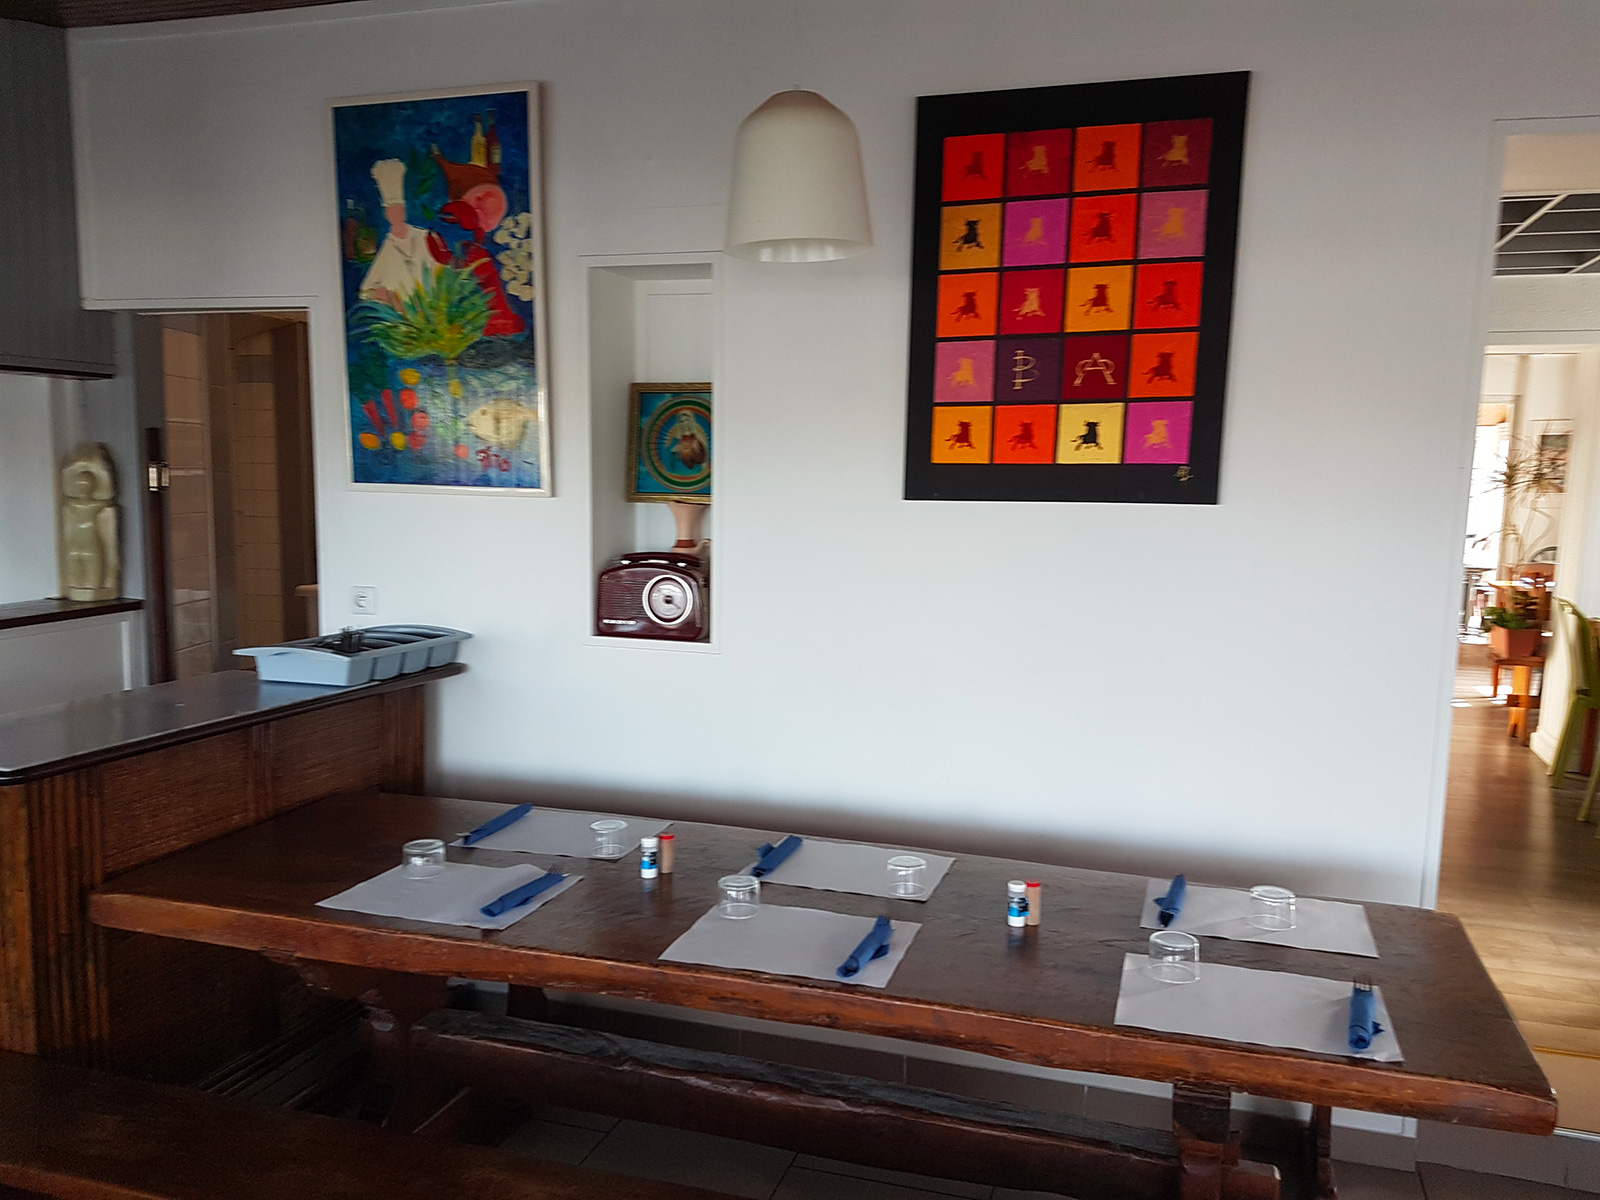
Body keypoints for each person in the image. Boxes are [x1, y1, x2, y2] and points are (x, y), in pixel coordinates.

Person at [358, 159, 446, 307]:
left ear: (404, 211)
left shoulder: (425, 237)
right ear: (386, 215)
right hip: (402, 315)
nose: (396, 215)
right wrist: (382, 295)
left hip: (432, 310)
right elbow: (365, 291)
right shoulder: (388, 247)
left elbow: (443, 269)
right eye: (392, 211)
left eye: (398, 210)